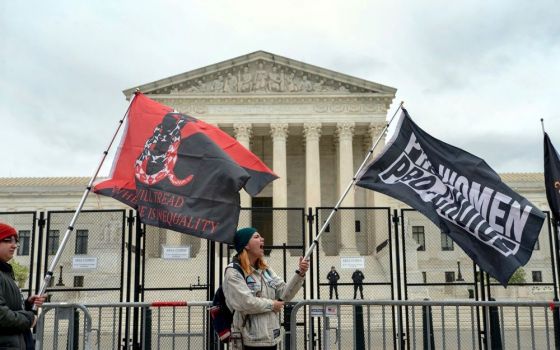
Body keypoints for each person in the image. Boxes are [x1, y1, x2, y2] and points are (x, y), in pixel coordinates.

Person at [223, 227, 309, 349]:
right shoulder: (234, 272)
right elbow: (244, 302)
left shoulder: (265, 269)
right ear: (246, 245)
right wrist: (272, 305)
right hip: (249, 341)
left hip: (271, 338)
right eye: (256, 237)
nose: (262, 239)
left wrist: (300, 273)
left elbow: (285, 294)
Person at [0, 223, 46, 350]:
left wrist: (26, 305)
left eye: (15, 241)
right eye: (8, 240)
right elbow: (2, 316)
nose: (14, 245)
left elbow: (8, 307)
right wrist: (29, 319)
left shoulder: (5, 272)